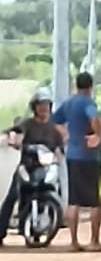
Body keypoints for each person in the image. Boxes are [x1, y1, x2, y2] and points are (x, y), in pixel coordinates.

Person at [0, 89, 66, 246]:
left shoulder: (53, 130)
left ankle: (55, 219)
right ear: (34, 107)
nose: (43, 108)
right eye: (40, 105)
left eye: (46, 105)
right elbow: (13, 133)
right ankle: (1, 231)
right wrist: (12, 139)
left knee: (58, 187)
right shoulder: (27, 124)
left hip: (46, 167)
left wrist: (59, 158)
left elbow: (59, 150)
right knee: (12, 196)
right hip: (27, 167)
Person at [53, 72, 101, 252]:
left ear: (76, 85)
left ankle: (74, 241)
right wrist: (97, 135)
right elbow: (94, 118)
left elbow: (55, 121)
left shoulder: (68, 103)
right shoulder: (88, 102)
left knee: (73, 200)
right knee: (97, 201)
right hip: (90, 157)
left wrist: (67, 135)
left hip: (73, 156)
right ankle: (94, 241)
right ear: (90, 87)